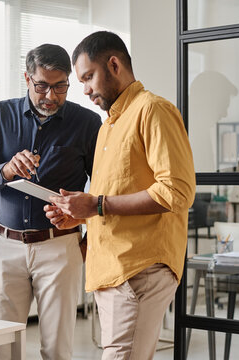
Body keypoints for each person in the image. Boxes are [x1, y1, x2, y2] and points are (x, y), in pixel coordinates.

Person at [45, 31, 196, 359]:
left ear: (114, 64)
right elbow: (112, 199)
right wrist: (80, 215)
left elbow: (177, 192)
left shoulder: (153, 110)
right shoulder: (108, 127)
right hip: (112, 268)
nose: (84, 89)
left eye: (88, 77)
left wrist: (96, 204)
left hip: (139, 269)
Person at [0, 44, 101, 360]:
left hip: (60, 248)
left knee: (57, 349)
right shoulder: (0, 115)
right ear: (26, 78)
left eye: (60, 87)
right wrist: (7, 169)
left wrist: (86, 244)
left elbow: (103, 188)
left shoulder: (87, 123)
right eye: (42, 86)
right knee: (1, 347)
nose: (51, 96)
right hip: (6, 246)